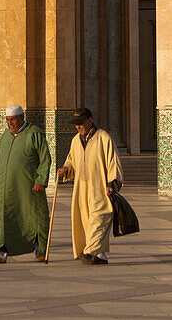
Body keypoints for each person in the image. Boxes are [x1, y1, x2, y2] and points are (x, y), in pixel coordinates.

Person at [0, 104, 51, 263]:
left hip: (28, 186)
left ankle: (41, 250)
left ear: (22, 118)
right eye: (7, 120)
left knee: (34, 217)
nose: (10, 123)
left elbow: (45, 158)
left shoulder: (34, 134)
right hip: (4, 186)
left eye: (13, 120)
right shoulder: (6, 136)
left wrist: (41, 179)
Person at [57, 107, 123, 265]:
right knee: (86, 220)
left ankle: (90, 251)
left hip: (100, 188)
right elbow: (71, 160)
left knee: (99, 218)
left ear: (90, 120)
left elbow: (113, 161)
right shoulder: (75, 141)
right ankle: (99, 255)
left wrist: (111, 183)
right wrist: (65, 169)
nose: (78, 127)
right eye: (76, 124)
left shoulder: (103, 138)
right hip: (82, 189)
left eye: (81, 123)